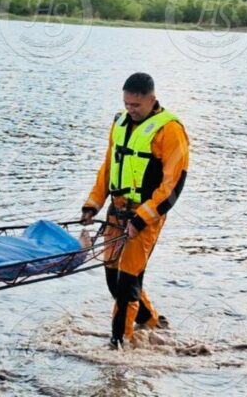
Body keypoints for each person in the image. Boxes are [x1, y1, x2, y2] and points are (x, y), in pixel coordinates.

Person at [80, 72, 189, 349]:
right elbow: (108, 168)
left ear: (151, 100)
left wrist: (141, 219)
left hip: (145, 216)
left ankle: (119, 346)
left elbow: (172, 185)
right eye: (127, 103)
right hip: (116, 212)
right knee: (112, 278)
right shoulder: (118, 123)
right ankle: (151, 321)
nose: (130, 109)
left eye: (136, 105)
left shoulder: (170, 130)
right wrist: (93, 204)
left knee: (127, 283)